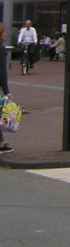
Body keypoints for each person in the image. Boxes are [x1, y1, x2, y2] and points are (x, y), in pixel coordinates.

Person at [0, 22, 12, 153]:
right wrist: (7, 91)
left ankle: (1, 143)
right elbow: (2, 72)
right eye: (4, 33)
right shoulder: (1, 50)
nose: (6, 35)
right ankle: (1, 144)